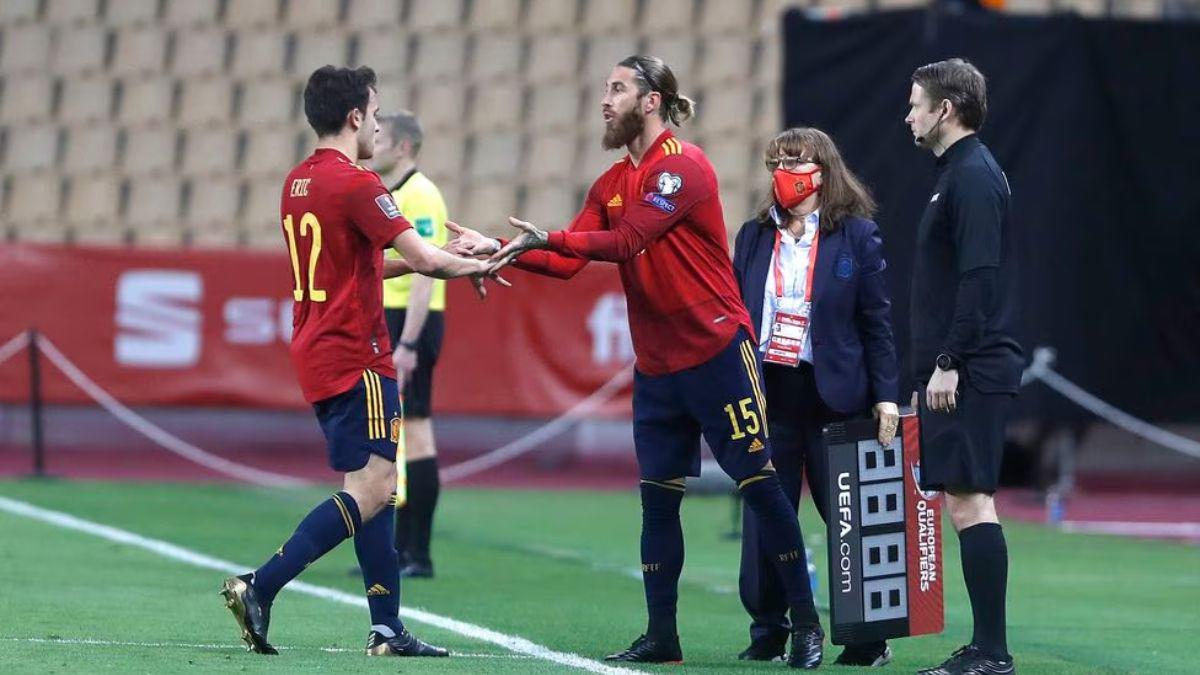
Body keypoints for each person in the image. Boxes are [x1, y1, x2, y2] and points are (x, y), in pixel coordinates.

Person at [463, 55, 824, 668]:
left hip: (716, 351)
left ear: (651, 100)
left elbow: (626, 240)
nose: (605, 100)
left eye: (617, 89)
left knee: (761, 486)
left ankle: (806, 626)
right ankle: (662, 637)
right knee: (657, 501)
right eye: (605, 89)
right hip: (657, 366)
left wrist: (543, 236)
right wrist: (499, 249)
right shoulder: (609, 183)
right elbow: (568, 262)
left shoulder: (683, 168)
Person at [219, 65, 501, 658]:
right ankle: (260, 584)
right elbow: (425, 262)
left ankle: (387, 629)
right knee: (373, 489)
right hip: (358, 354)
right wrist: (487, 259)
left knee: (375, 487)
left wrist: (438, 255)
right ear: (354, 117)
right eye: (374, 113)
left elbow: (363, 265)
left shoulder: (298, 181)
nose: (377, 124)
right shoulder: (359, 184)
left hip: (316, 347)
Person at [731, 127, 899, 667]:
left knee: (850, 518)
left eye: (794, 161)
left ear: (822, 171)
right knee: (766, 515)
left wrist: (886, 396)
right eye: (777, 162)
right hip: (771, 395)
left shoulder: (857, 235)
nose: (784, 172)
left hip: (836, 397)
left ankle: (868, 638)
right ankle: (768, 628)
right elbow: (735, 316)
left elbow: (876, 323)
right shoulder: (754, 236)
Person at [904, 58, 1022, 675]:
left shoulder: (972, 175)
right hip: (958, 365)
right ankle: (985, 648)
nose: (909, 116)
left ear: (944, 109)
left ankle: (991, 653)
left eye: (916, 104)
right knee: (963, 501)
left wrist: (948, 361)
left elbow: (980, 277)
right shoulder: (956, 173)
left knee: (971, 501)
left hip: (971, 366)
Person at [371, 111, 447, 579]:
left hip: (412, 322)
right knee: (394, 434)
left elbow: (425, 272)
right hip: (390, 317)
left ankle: (418, 552)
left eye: (380, 139)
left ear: (403, 147)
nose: (372, 144)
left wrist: (410, 342)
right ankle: (397, 549)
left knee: (416, 431)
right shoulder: (391, 194)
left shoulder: (420, 195)